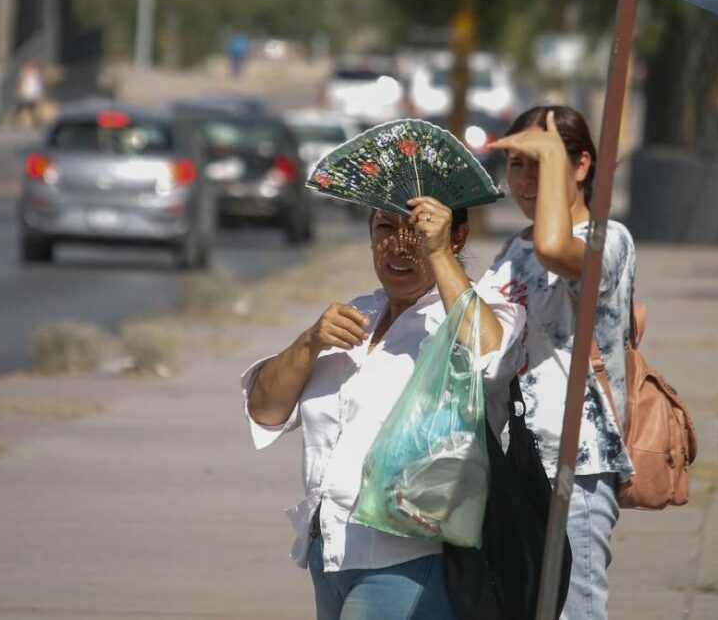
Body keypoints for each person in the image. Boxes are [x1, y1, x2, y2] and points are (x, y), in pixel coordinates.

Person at [242, 197, 525, 620]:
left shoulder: (481, 314)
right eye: (385, 229)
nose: (400, 245)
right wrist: (309, 342)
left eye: (418, 230)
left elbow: (492, 355)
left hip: (408, 557)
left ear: (457, 235)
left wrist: (439, 252)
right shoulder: (357, 316)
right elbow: (264, 410)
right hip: (330, 554)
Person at [482, 106, 636, 620]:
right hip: (512, 463)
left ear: (581, 166)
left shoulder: (608, 240)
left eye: (542, 163)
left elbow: (556, 249)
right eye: (518, 165)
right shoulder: (512, 249)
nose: (527, 180)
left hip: (575, 463)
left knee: (573, 612)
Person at [15, 58, 44, 128]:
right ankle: (16, 122)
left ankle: (35, 123)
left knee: (33, 109)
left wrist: (40, 93)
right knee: (21, 108)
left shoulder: (37, 73)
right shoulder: (25, 72)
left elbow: (39, 84)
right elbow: (20, 81)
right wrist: (18, 92)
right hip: (25, 93)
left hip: (34, 94)